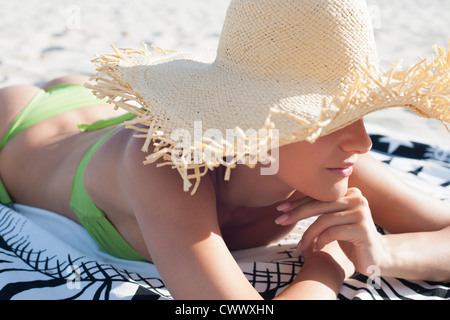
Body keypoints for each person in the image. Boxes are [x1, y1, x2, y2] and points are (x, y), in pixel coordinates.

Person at [0, 0, 449, 300]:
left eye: (361, 113)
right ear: (261, 120)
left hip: (102, 120)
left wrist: (385, 254)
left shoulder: (331, 162)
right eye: (327, 118)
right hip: (23, 126)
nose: (363, 142)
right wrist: (330, 262)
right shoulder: (164, 165)